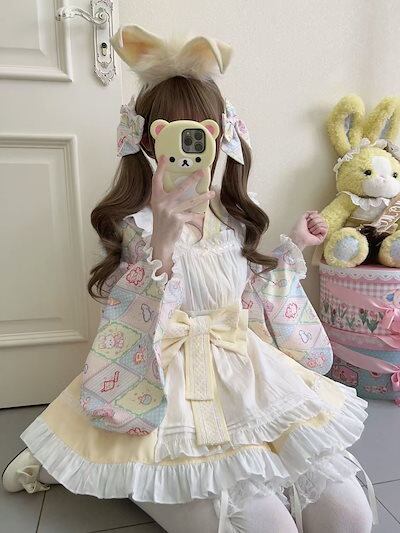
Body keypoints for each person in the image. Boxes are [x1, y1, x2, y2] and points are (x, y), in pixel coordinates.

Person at [2, 25, 377, 533]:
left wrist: (294, 249)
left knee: (349, 518)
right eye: (175, 135)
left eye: (202, 133)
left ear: (222, 136)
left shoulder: (235, 217)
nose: (190, 149)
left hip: (247, 369)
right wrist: (161, 239)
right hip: (164, 380)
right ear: (148, 141)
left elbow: (250, 299)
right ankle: (112, 466)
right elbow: (128, 320)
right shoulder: (134, 224)